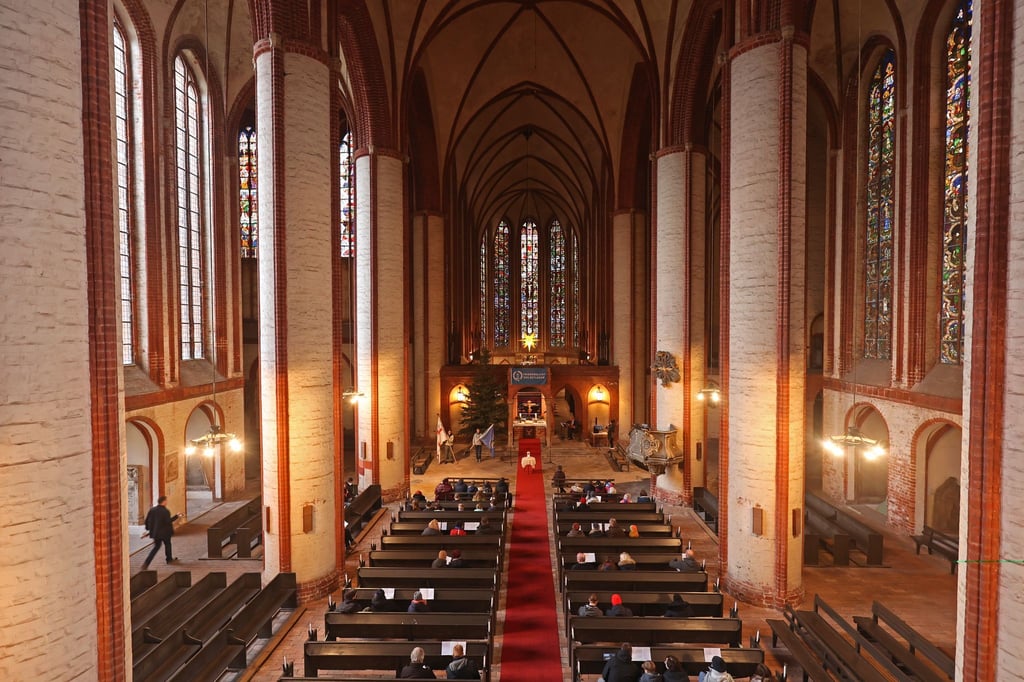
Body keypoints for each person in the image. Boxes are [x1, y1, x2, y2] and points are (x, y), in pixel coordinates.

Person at [141, 495, 181, 570]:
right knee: (168, 544)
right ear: (164, 501)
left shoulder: (152, 510)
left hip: (156, 533)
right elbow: (168, 521)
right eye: (166, 501)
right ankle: (169, 559)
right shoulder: (165, 511)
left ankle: (146, 563)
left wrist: (148, 529)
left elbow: (147, 521)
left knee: (156, 548)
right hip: (165, 533)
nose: (167, 502)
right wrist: (176, 516)